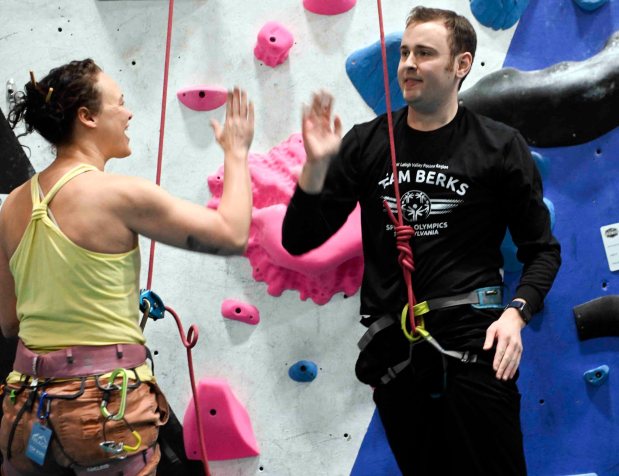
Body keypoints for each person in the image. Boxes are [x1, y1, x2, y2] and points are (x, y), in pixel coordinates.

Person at [282, 6, 560, 476]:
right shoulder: (369, 143)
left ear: (461, 65)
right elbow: (299, 239)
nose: (408, 63)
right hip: (397, 354)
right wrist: (314, 170)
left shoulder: (497, 144)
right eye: (405, 52)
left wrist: (517, 313)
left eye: (425, 53)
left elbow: (542, 251)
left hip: (476, 347)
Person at [0, 58, 254, 475]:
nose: (129, 111)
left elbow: (11, 322)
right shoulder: (116, 193)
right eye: (120, 102)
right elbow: (231, 234)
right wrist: (237, 154)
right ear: (88, 117)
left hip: (25, 412)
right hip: (102, 410)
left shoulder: (12, 204)